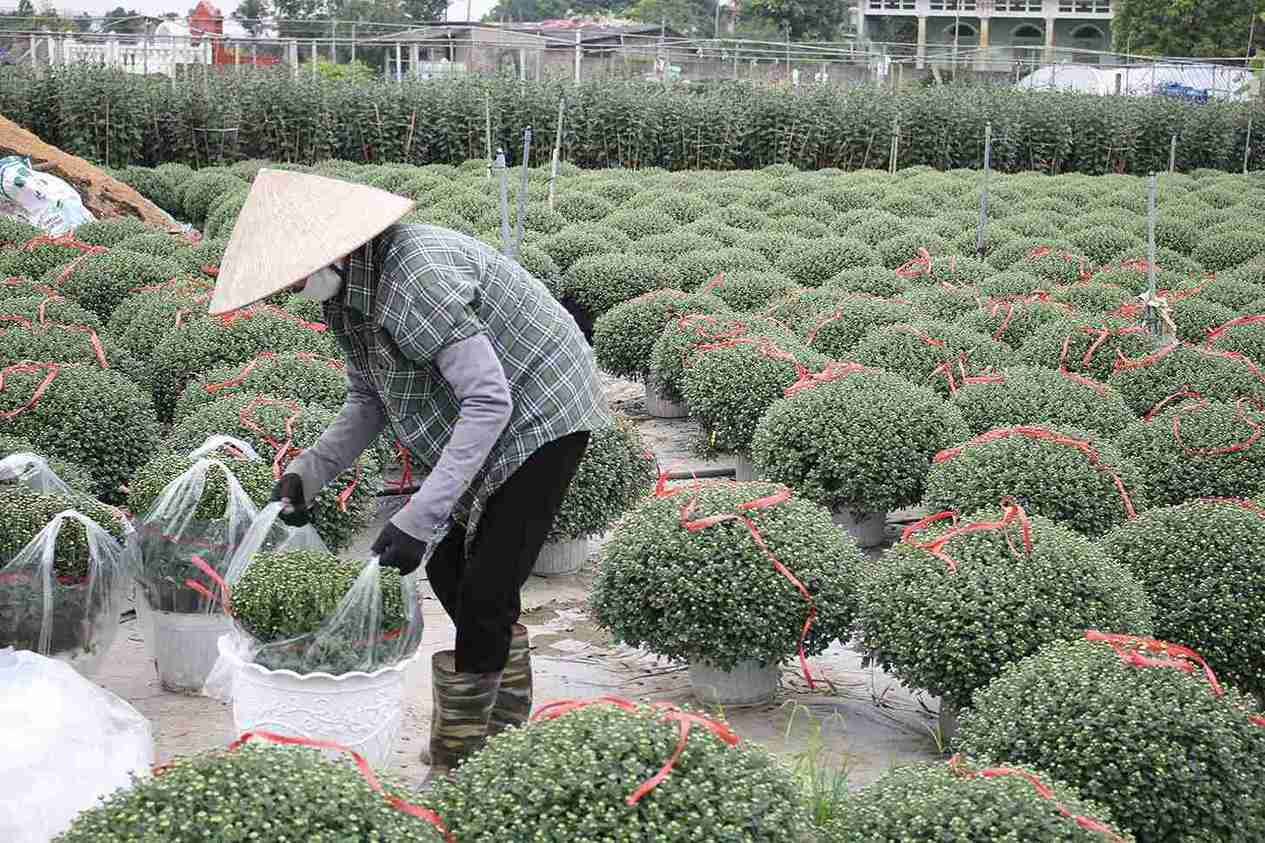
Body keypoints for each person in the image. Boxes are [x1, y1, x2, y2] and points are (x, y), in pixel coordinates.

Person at [208, 168, 607, 778]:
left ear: (333, 252)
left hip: (543, 410)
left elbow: (489, 401)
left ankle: (464, 760)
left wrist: (419, 516)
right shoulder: (348, 300)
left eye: (294, 275)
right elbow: (368, 399)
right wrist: (309, 472)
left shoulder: (415, 278)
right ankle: (502, 721)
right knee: (449, 568)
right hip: (486, 412)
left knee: (486, 587)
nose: (293, 288)